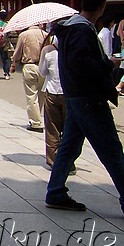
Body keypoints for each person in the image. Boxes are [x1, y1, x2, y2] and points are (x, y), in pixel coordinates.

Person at [45, 0, 124, 213]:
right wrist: (107, 64)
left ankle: (56, 191)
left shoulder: (70, 27)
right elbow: (81, 63)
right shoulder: (82, 30)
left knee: (69, 146)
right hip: (89, 97)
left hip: (74, 96)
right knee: (111, 150)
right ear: (102, 6)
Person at [39, 31, 73, 172]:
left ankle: (53, 160)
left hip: (52, 91)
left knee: (52, 128)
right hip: (70, 93)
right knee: (69, 130)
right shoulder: (73, 48)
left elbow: (42, 71)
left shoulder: (48, 50)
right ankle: (69, 162)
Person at [12, 23, 48, 132]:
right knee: (42, 94)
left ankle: (35, 122)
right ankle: (38, 116)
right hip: (43, 65)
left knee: (31, 95)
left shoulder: (24, 35)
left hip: (29, 65)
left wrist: (14, 63)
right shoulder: (46, 34)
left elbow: (17, 52)